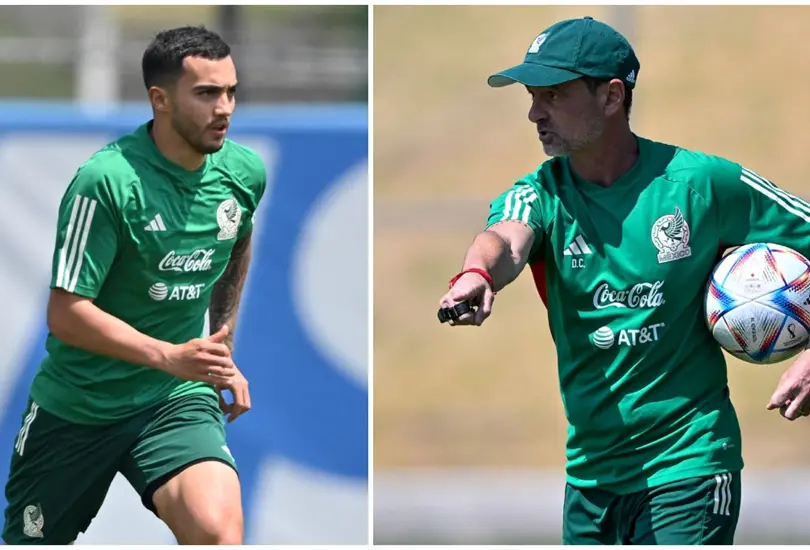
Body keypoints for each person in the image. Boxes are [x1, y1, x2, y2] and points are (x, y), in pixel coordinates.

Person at [439, 15, 810, 545]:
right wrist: (477, 275)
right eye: (531, 95)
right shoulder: (541, 193)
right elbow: (506, 238)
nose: (533, 113)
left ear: (611, 97)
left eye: (552, 95)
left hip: (690, 464)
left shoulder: (700, 184)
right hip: (590, 478)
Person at [1, 25, 266, 545]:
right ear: (159, 99)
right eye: (207, 93)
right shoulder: (107, 182)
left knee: (218, 532)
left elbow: (235, 243)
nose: (225, 107)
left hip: (174, 399)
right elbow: (66, 313)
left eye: (231, 91)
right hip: (78, 407)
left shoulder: (243, 173)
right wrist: (169, 354)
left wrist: (221, 342)